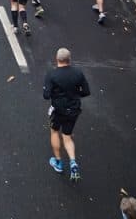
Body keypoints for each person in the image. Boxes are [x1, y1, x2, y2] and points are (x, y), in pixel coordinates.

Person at [43, 47, 90, 181]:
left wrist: (55, 95)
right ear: (69, 60)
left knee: (54, 131)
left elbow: (46, 95)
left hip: (58, 110)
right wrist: (75, 95)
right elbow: (86, 91)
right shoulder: (78, 73)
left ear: (57, 59)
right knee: (67, 136)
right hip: (74, 109)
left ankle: (58, 162)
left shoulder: (52, 75)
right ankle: (73, 161)